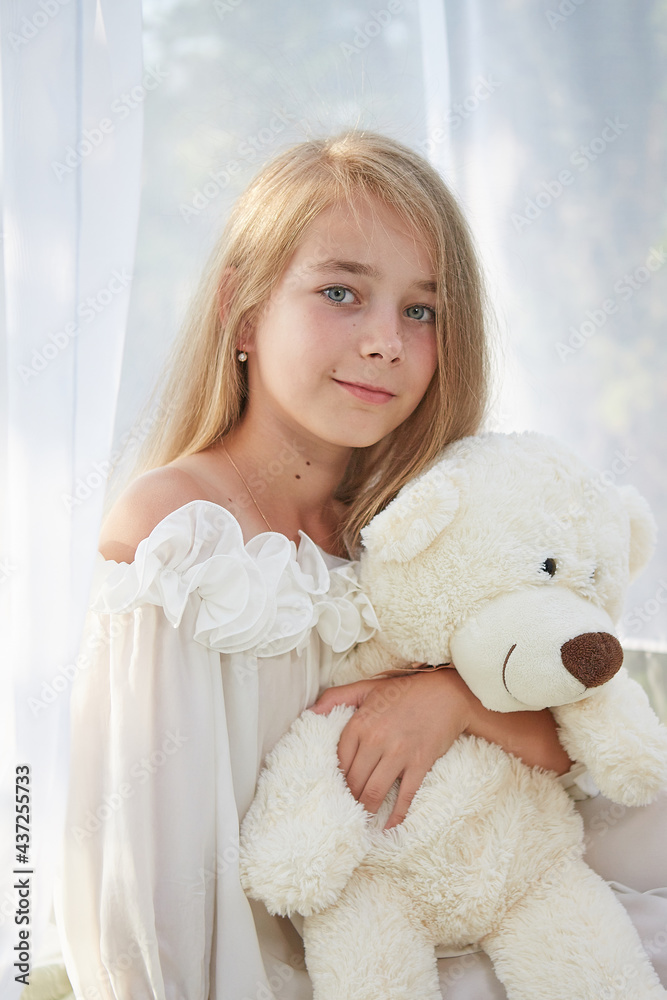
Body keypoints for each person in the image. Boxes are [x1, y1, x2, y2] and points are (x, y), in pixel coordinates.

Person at [52, 131, 667, 1000]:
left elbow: (568, 752)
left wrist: (449, 697)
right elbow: (142, 875)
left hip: (463, 917)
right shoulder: (184, 531)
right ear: (244, 310)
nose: (385, 341)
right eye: (341, 292)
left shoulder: (422, 522)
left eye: (420, 310)